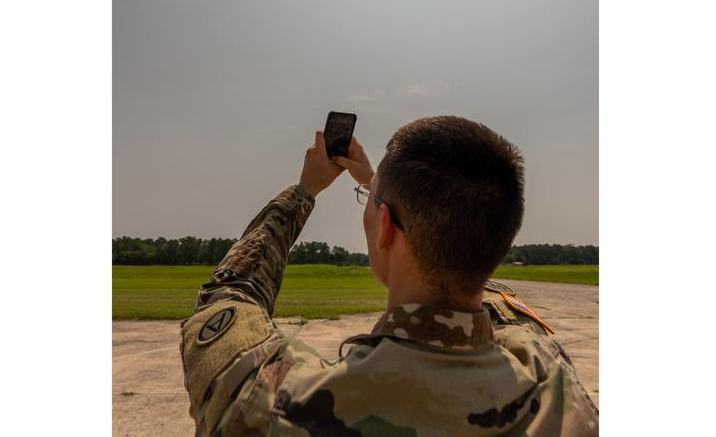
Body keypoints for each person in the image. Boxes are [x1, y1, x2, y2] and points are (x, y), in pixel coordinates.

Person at [180, 116, 598, 436]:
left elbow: (227, 296)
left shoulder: (281, 404)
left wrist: (303, 192)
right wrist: (379, 187)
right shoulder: (554, 385)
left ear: (384, 228)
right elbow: (469, 263)